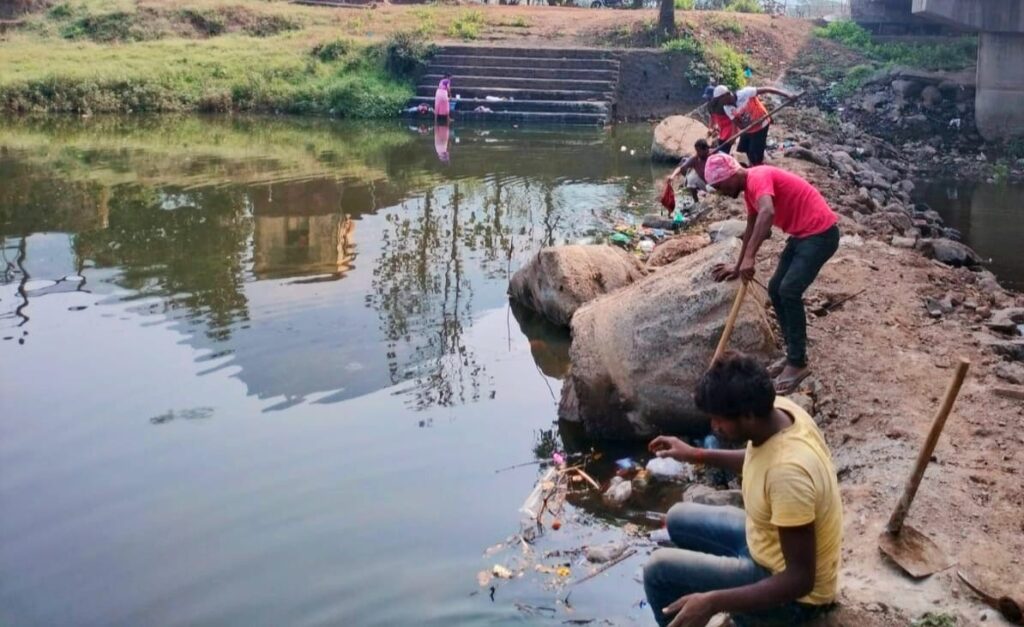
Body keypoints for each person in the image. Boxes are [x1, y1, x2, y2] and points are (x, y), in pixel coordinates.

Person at [644, 352, 843, 627]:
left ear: (748, 415)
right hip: (765, 544)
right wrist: (696, 454)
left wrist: (713, 601)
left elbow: (800, 580)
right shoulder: (780, 411)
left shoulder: (788, 473)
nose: (714, 426)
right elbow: (757, 459)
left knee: (657, 571)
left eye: (719, 420)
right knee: (677, 517)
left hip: (795, 599)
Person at [704, 152, 839, 394]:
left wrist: (750, 257)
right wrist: (739, 264)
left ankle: (798, 363)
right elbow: (752, 225)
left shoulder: (758, 177)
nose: (721, 192)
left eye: (720, 186)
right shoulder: (749, 190)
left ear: (730, 175)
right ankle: (792, 353)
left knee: (789, 291)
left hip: (820, 234)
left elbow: (767, 212)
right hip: (802, 235)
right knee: (776, 289)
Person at [711, 84, 795, 166]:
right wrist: (736, 134)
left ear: (727, 95)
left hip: (761, 125)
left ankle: (757, 167)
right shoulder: (727, 108)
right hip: (748, 129)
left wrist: (787, 95)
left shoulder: (745, 93)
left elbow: (768, 89)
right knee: (741, 153)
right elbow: (738, 124)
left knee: (755, 156)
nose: (719, 103)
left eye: (719, 100)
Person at [667, 139, 712, 204]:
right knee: (691, 178)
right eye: (696, 151)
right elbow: (681, 168)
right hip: (706, 184)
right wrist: (672, 176)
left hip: (716, 183)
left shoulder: (713, 154)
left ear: (706, 149)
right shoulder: (695, 159)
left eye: (699, 151)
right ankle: (696, 202)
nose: (697, 153)